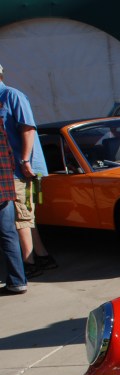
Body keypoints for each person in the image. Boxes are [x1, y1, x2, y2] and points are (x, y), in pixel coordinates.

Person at [0, 64, 54, 278]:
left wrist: (24, 160)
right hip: (10, 168)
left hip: (19, 168)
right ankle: (42, 256)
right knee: (26, 215)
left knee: (20, 216)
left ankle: (29, 263)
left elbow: (28, 128)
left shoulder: (11, 95)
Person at [0, 118, 25, 294]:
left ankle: (17, 281)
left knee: (8, 235)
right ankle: (17, 281)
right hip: (3, 186)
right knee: (9, 235)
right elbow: (9, 154)